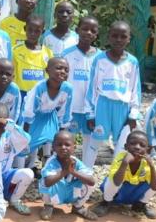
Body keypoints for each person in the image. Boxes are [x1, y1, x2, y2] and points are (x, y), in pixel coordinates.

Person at [85, 21, 141, 167]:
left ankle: (115, 181)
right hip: (103, 106)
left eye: (123, 36)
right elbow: (92, 88)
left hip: (123, 108)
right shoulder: (100, 59)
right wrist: (90, 114)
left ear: (129, 39)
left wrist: (133, 114)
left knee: (121, 144)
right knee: (95, 142)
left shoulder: (132, 62)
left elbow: (135, 90)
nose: (118, 40)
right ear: (108, 37)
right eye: (114, 36)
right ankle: (84, 176)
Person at [61, 16, 101, 166]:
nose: (88, 33)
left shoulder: (101, 57)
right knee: (67, 142)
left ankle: (86, 171)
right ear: (77, 30)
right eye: (85, 29)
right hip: (71, 108)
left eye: (93, 30)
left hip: (91, 110)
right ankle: (65, 172)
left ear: (97, 34)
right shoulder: (67, 54)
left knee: (90, 144)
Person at [92, 131, 156, 219]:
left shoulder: (147, 163)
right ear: (126, 146)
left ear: (147, 149)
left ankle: (140, 205)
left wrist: (152, 166)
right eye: (133, 144)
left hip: (133, 195)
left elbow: (155, 187)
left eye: (142, 145)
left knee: (153, 180)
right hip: (118, 194)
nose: (137, 147)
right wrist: (125, 162)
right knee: (111, 179)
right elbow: (116, 182)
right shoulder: (120, 158)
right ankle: (106, 202)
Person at [22, 58, 73, 173]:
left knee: (54, 140)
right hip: (33, 119)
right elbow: (29, 112)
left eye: (66, 69)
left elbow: (65, 112)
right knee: (28, 145)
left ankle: (49, 168)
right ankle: (24, 168)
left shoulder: (68, 89)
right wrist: (25, 136)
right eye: (59, 68)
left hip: (50, 116)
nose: (63, 71)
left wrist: (62, 132)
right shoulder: (39, 87)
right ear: (47, 71)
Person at [38, 130, 97, 221]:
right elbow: (47, 183)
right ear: (53, 147)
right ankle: (48, 205)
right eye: (59, 144)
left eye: (67, 144)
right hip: (56, 195)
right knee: (43, 181)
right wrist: (65, 171)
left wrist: (73, 172)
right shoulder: (51, 162)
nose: (63, 147)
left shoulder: (76, 162)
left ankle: (78, 207)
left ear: (74, 147)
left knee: (88, 181)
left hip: (72, 194)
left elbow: (91, 182)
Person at [0, 103, 33, 215]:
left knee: (28, 173)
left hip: (5, 177)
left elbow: (26, 139)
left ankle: (14, 200)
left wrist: (9, 124)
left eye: (2, 123)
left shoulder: (9, 137)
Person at [12, 16, 53, 97]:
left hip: (40, 94)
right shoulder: (15, 50)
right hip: (20, 93)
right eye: (30, 30)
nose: (32, 34)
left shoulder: (48, 53)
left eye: (37, 31)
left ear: (43, 31)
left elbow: (50, 76)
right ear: (25, 29)